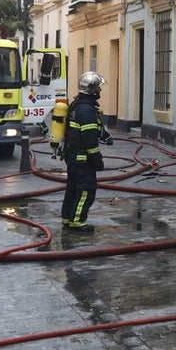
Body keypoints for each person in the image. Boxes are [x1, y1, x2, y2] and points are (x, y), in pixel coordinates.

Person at [60, 71, 113, 232]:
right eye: (98, 88)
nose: (100, 91)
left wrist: (103, 133)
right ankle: (78, 221)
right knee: (86, 190)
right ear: (91, 89)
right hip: (83, 158)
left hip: (72, 156)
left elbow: (85, 130)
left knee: (73, 188)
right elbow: (89, 140)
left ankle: (68, 218)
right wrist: (98, 159)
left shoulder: (77, 105)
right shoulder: (87, 110)